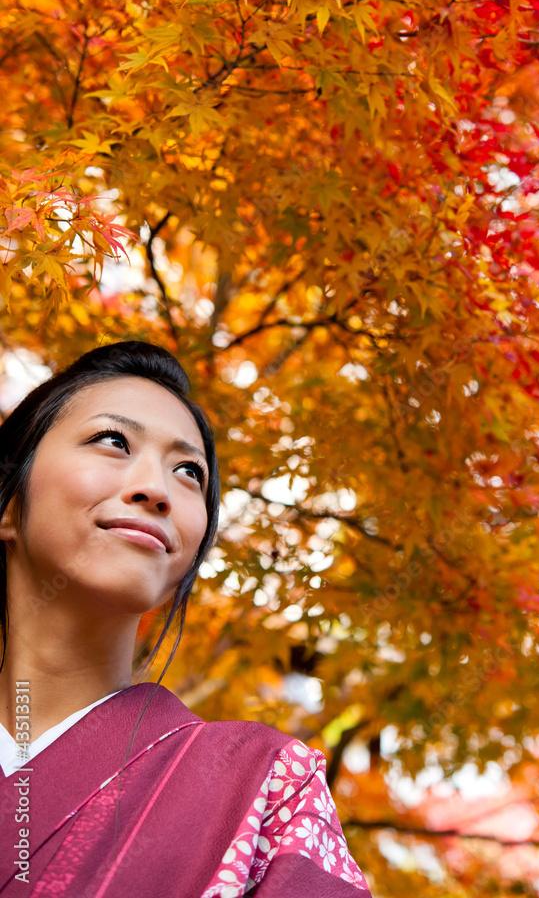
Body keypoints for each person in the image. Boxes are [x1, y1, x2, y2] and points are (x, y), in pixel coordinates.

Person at [0, 341, 370, 897]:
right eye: (113, 441)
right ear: (10, 505)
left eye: (189, 472)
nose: (158, 491)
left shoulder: (266, 787)